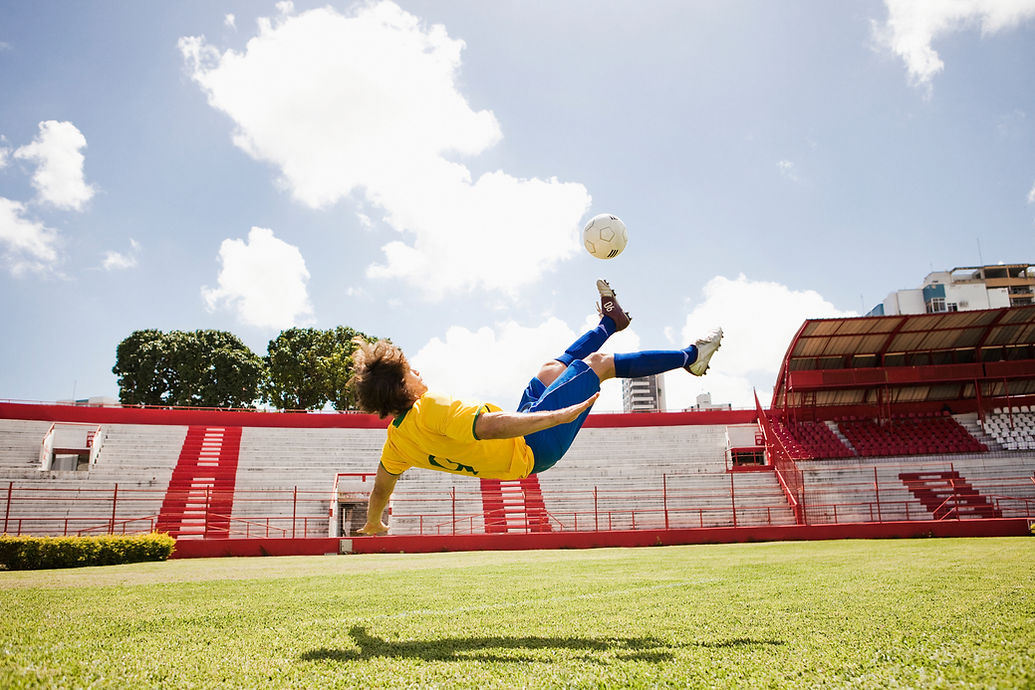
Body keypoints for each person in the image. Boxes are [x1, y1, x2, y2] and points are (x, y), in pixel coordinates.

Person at [351, 280, 723, 535]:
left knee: (549, 370)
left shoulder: (397, 441)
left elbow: (382, 486)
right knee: (599, 364)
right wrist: (555, 417)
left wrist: (373, 523)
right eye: (409, 370)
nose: (418, 371)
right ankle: (691, 357)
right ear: (403, 386)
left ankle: (611, 322)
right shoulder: (430, 406)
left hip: (523, 447)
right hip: (533, 441)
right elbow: (492, 426)